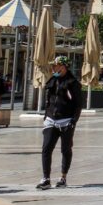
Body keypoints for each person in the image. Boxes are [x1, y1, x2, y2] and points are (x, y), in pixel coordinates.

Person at [36, 57, 83, 190]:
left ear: (64, 67)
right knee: (46, 148)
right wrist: (46, 116)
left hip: (66, 121)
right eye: (54, 66)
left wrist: (73, 121)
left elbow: (78, 105)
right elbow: (49, 100)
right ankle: (46, 178)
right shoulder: (52, 80)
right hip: (51, 119)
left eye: (56, 66)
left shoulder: (73, 83)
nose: (54, 68)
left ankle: (63, 177)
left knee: (65, 149)